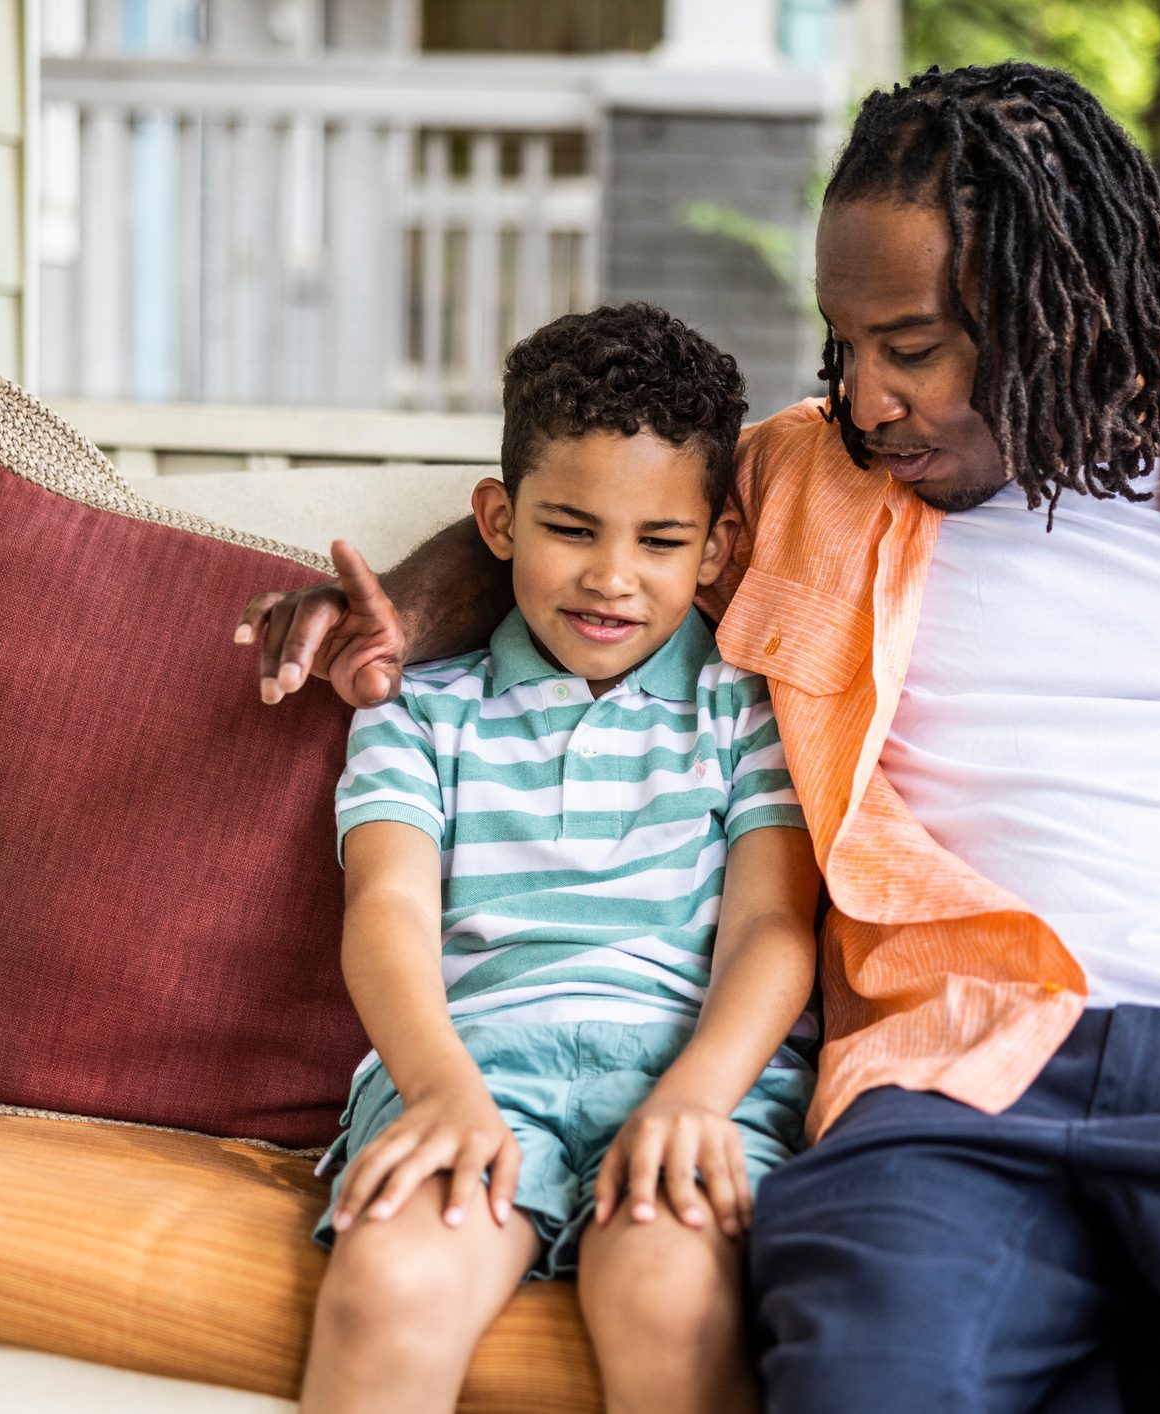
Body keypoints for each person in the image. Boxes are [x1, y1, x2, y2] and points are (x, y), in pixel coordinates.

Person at [243, 64, 1160, 1414]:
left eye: (914, 346)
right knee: (878, 1369)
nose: (865, 395)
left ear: (1065, 308)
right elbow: (593, 525)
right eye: (843, 346)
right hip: (955, 1086)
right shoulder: (814, 480)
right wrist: (388, 616)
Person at [294, 304, 819, 1414]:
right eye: (570, 529)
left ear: (717, 545)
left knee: (671, 1294)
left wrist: (695, 1097)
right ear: (498, 519)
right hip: (472, 1063)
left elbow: (772, 929)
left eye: (661, 541)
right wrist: (439, 1088)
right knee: (390, 1282)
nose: (611, 579)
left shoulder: (748, 709)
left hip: (692, 1073)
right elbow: (385, 908)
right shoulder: (415, 712)